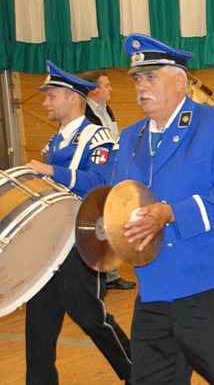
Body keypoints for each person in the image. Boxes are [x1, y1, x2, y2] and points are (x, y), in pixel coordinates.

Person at [109, 33, 214, 384]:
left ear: (180, 82)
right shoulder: (130, 137)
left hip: (210, 277)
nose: (140, 87)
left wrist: (170, 212)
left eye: (150, 77)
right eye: (137, 78)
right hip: (154, 283)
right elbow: (118, 196)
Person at [24, 61, 131, 384]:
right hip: (50, 241)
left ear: (72, 97)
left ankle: (137, 371)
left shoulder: (96, 137)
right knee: (39, 322)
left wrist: (50, 172)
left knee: (90, 317)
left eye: (51, 95)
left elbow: (101, 182)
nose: (45, 102)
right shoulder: (56, 141)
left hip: (79, 242)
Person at [81, 69, 136, 291]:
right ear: (94, 90)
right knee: (96, 224)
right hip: (93, 175)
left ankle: (110, 273)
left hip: (110, 173)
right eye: (107, 85)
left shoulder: (107, 110)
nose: (111, 89)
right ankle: (99, 274)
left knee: (109, 223)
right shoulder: (84, 113)